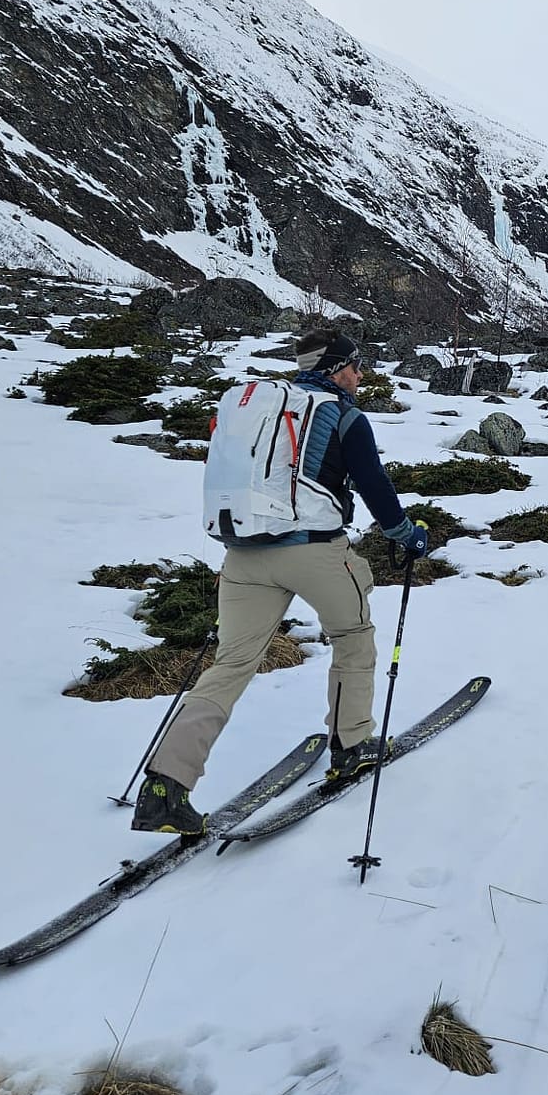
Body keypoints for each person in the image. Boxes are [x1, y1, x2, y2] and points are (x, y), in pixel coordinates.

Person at [132, 329, 429, 835]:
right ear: (335, 368)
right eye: (355, 366)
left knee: (230, 664)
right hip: (315, 552)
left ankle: (165, 785)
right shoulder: (343, 416)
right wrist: (407, 534)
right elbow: (373, 483)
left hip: (244, 555)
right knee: (353, 637)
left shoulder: (265, 412)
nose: (360, 376)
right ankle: (351, 744)